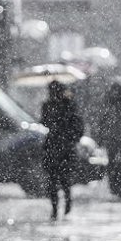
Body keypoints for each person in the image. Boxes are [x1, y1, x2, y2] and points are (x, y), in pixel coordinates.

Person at [39, 81, 84, 220]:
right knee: (54, 180)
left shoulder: (68, 105)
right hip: (55, 147)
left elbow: (77, 126)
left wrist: (69, 137)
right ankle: (56, 207)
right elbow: (44, 122)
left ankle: (65, 204)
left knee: (62, 180)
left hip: (62, 147)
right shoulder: (49, 105)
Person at [100, 84, 121, 198]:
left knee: (112, 163)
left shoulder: (109, 108)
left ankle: (114, 187)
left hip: (113, 140)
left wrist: (102, 137)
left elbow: (102, 125)